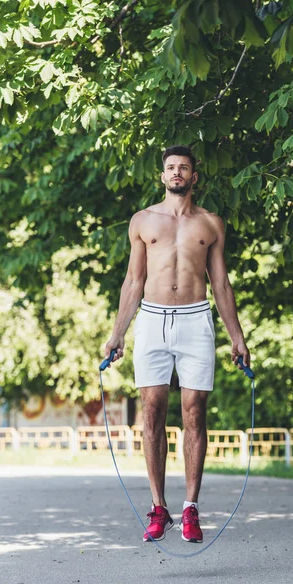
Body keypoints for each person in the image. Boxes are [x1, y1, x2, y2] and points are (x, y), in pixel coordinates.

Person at [104, 144, 250, 544]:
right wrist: (117, 333)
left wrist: (237, 337)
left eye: (184, 168)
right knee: (151, 410)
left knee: (194, 411)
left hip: (195, 319)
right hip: (151, 319)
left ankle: (190, 509)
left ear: (194, 177)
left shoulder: (211, 224)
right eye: (171, 168)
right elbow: (133, 281)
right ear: (162, 175)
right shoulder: (142, 221)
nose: (177, 173)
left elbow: (220, 283)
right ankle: (158, 507)